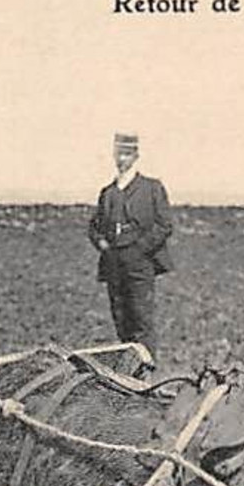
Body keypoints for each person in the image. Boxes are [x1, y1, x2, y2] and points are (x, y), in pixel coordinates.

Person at [87, 132, 172, 365]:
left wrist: (140, 250)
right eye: (118, 154)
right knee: (121, 318)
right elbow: (94, 226)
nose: (121, 159)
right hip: (114, 262)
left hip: (140, 262)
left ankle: (146, 374)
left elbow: (164, 225)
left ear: (136, 156)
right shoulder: (108, 192)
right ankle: (128, 373)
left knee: (141, 318)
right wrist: (103, 245)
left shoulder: (151, 188)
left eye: (126, 154)